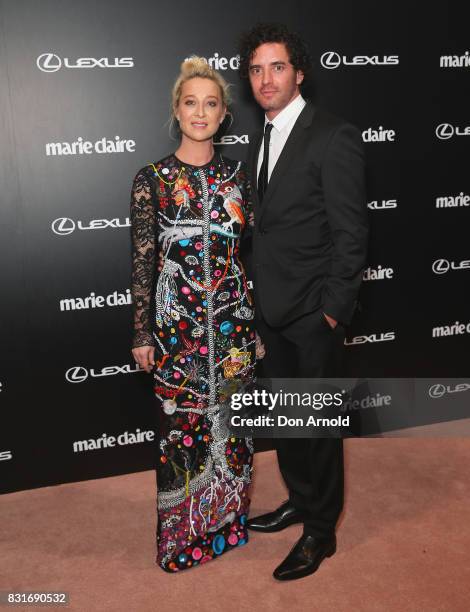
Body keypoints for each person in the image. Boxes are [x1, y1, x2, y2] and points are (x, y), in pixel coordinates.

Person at [237, 23, 369, 580]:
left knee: (317, 428)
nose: (266, 79)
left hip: (314, 313)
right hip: (271, 311)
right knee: (287, 423)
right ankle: (299, 500)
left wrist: (332, 311)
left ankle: (322, 530)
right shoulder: (260, 136)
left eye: (277, 67)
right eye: (257, 69)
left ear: (300, 73)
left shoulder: (333, 135)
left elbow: (352, 233)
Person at [129, 57, 256, 572]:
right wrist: (141, 332)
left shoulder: (238, 177)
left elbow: (249, 255)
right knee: (181, 432)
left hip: (233, 327)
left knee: (235, 428)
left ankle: (229, 526)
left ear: (224, 114)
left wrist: (255, 325)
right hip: (176, 328)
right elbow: (142, 260)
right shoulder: (152, 179)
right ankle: (180, 542)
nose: (199, 112)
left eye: (210, 103)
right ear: (176, 110)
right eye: (190, 102)